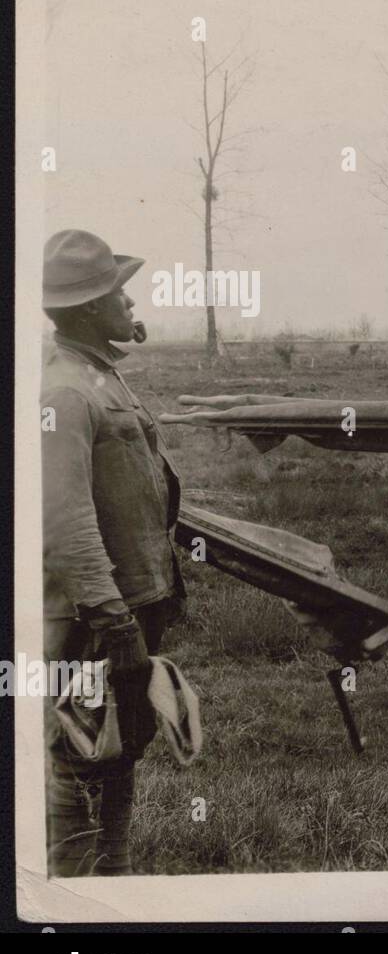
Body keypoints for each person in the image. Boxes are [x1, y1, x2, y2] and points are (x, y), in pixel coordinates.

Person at [40, 229, 185, 876]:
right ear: (91, 309)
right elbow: (65, 520)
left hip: (133, 605)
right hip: (95, 619)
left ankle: (116, 879)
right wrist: (112, 616)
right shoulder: (67, 393)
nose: (131, 303)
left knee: (122, 745)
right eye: (119, 294)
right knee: (80, 752)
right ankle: (66, 898)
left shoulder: (104, 377)